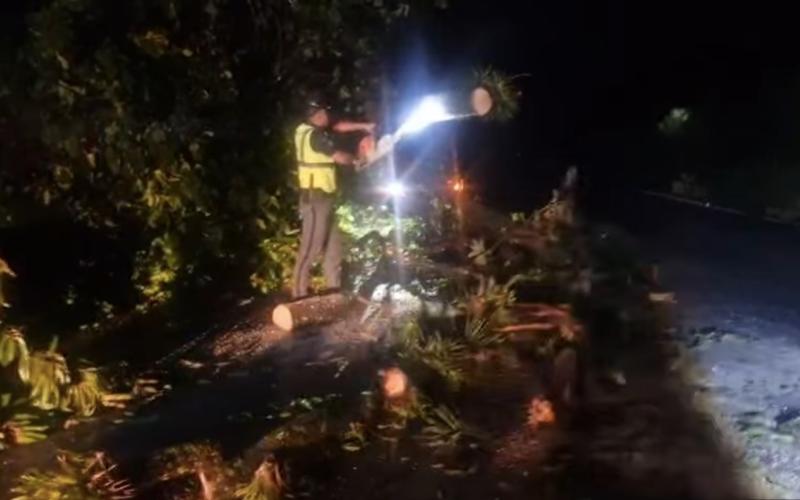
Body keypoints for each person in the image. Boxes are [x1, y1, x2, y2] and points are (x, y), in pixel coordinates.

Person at [291, 97, 374, 298]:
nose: (324, 116)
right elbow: (338, 156)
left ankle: (333, 290)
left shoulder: (316, 130)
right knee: (312, 246)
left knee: (334, 245)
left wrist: (365, 126)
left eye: (324, 112)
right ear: (311, 117)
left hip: (328, 196)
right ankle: (299, 294)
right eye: (320, 114)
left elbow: (339, 125)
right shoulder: (315, 137)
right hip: (315, 198)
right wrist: (358, 160)